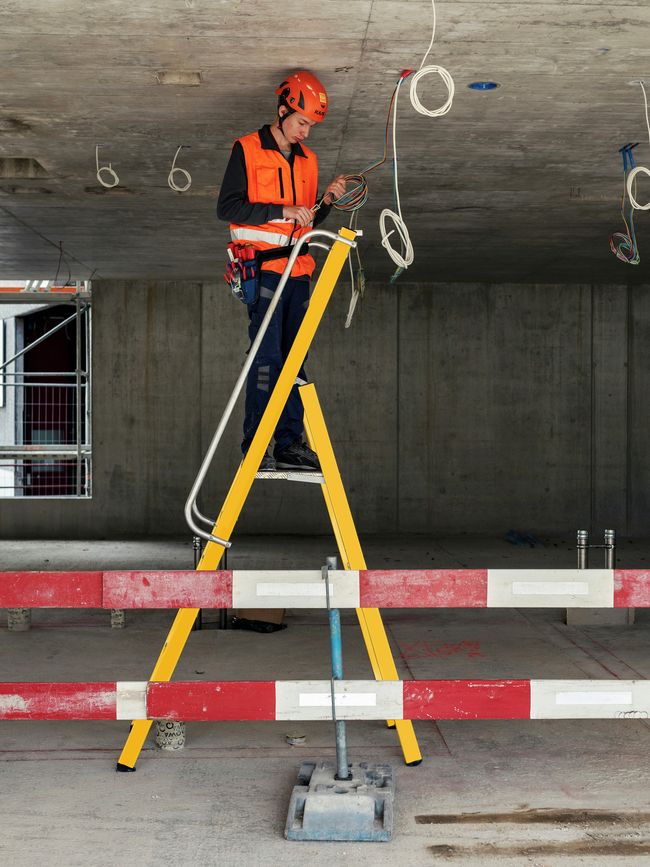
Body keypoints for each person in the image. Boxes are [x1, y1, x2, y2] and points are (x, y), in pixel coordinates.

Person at [217, 70, 346, 471]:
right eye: (302, 122)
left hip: (300, 271)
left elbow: (306, 223)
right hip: (265, 271)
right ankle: (256, 445)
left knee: (294, 361)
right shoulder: (247, 148)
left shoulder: (309, 161)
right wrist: (281, 210)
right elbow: (228, 208)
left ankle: (290, 445)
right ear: (282, 110)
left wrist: (327, 200)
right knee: (267, 358)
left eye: (311, 126)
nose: (306, 132)